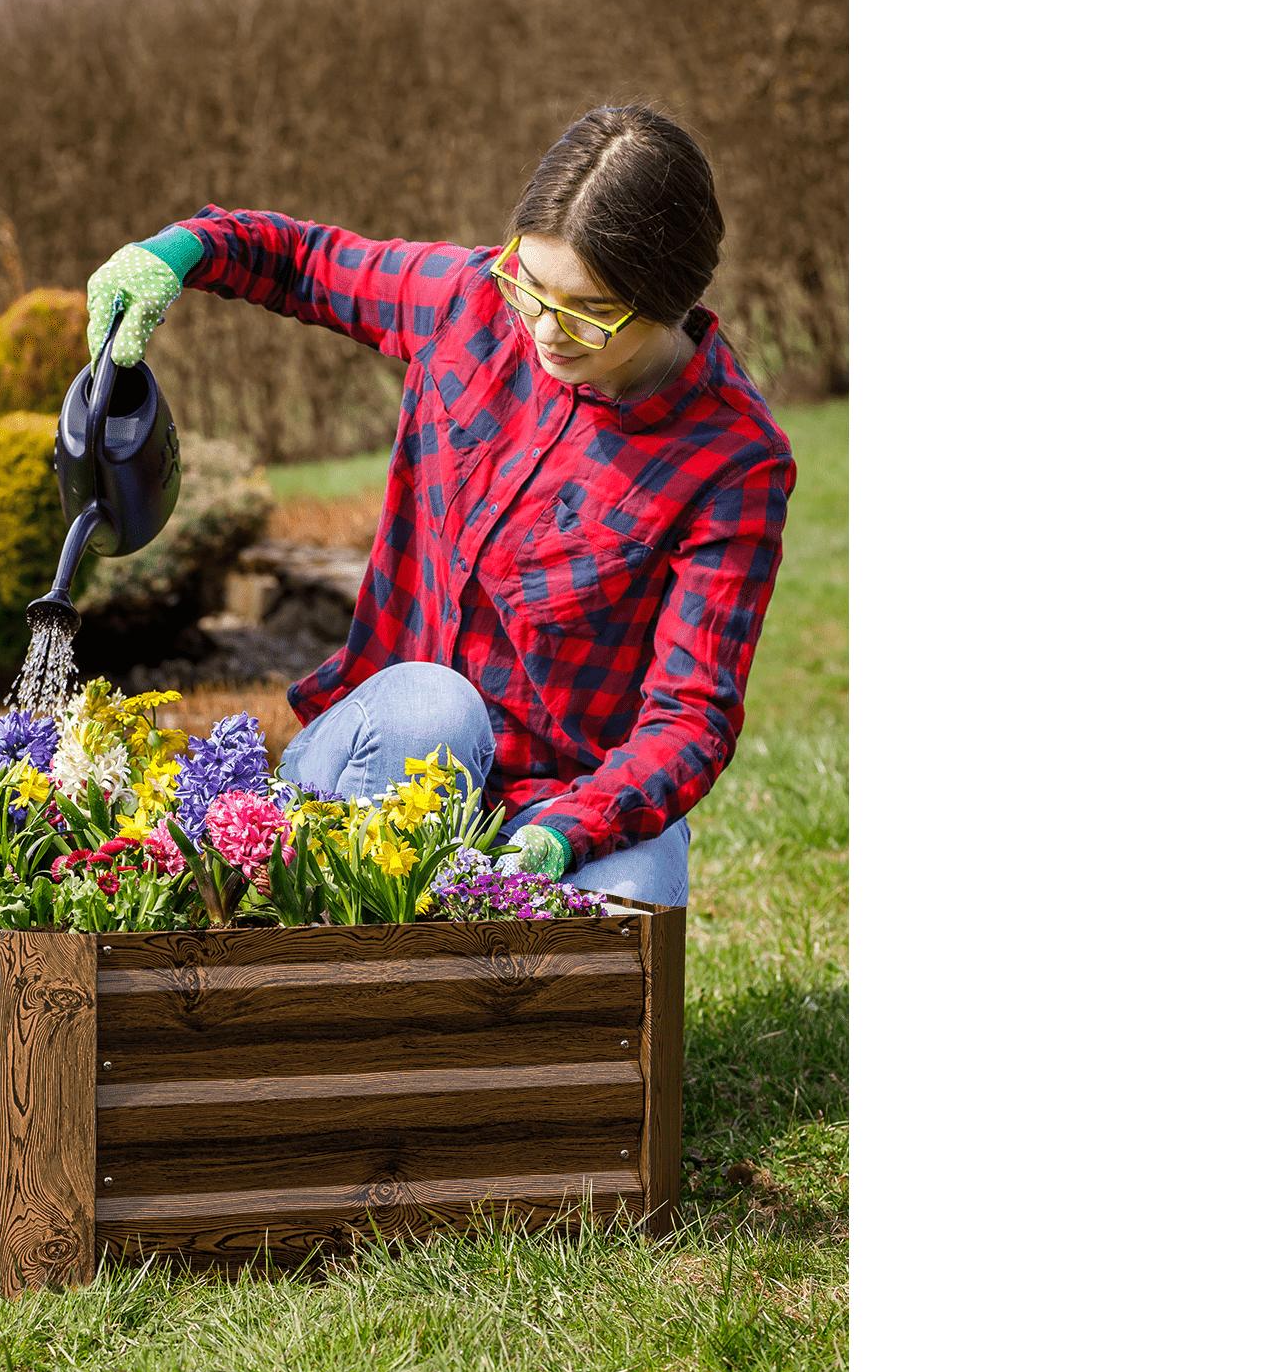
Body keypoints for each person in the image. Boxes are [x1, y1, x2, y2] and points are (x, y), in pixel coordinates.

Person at [82, 104, 794, 907]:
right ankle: (351, 950)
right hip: (393, 755)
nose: (546, 330)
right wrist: (180, 250)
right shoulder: (470, 305)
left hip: (565, 799)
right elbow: (301, 262)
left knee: (636, 899)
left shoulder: (732, 460)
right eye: (531, 285)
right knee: (435, 705)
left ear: (668, 297)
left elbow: (690, 716)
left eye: (590, 311)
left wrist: (568, 833)